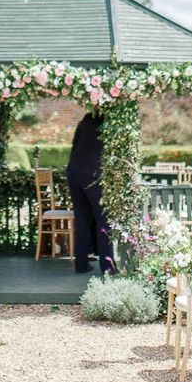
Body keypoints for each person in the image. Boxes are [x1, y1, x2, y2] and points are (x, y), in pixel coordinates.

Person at [66, 112, 114, 274]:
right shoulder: (110, 121)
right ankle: (108, 267)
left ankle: (81, 265)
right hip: (92, 173)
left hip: (73, 171)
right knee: (103, 219)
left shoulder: (86, 120)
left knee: (82, 219)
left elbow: (74, 146)